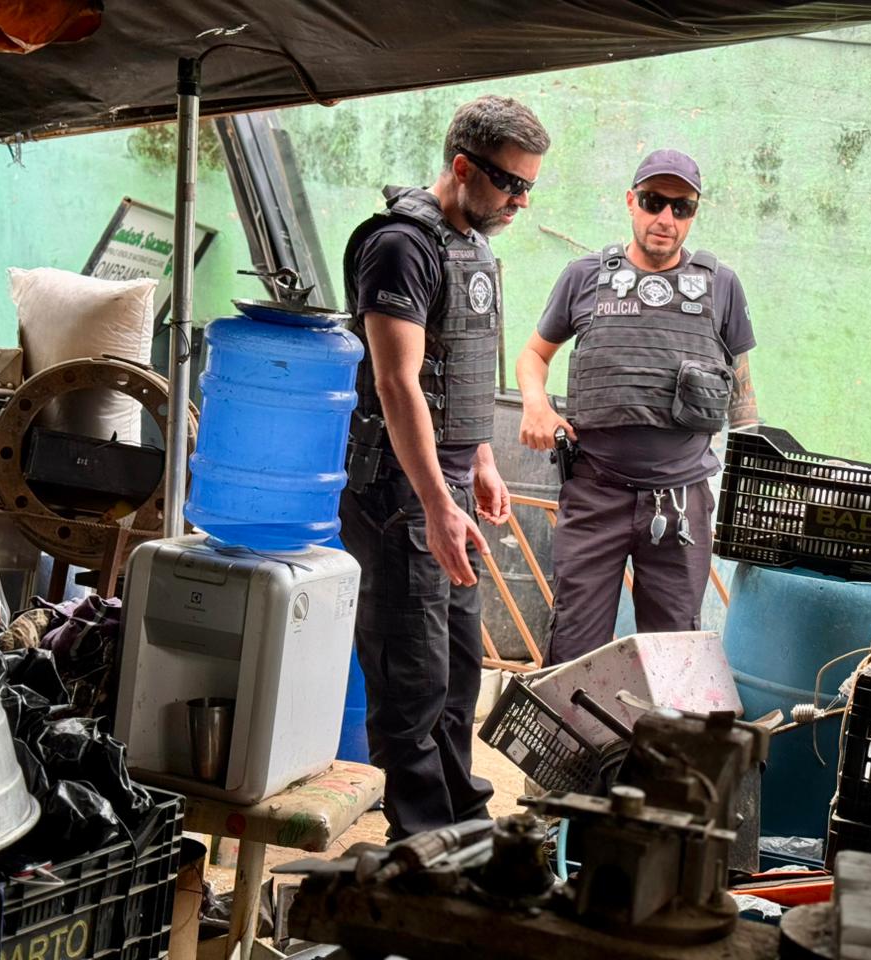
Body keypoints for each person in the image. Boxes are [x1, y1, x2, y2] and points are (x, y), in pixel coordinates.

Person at [339, 95, 550, 837]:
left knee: (460, 676)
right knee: (413, 682)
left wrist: (482, 458)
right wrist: (435, 502)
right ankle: (422, 845)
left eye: (529, 186)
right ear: (462, 166)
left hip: (449, 485)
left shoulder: (473, 247)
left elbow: (457, 368)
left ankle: (464, 831)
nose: (520, 201)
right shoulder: (401, 247)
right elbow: (398, 383)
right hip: (403, 495)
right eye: (509, 183)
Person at [516, 148, 759, 665]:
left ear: (693, 213)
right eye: (653, 202)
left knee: (673, 658)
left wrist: (750, 472)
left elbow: (741, 388)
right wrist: (536, 405)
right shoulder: (584, 277)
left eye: (681, 207)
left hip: (681, 502)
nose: (665, 218)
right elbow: (534, 355)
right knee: (574, 651)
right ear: (631, 201)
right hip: (595, 493)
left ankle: (657, 726)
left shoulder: (721, 286)